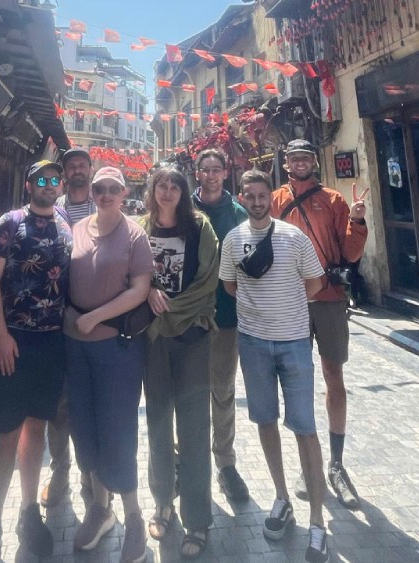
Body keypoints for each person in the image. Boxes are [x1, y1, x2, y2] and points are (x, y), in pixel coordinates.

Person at [221, 169, 329, 563]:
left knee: (305, 428)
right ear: (242, 197)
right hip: (252, 344)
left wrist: (284, 309)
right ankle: (282, 497)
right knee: (264, 421)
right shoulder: (233, 240)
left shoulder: (293, 236)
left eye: (261, 194)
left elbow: (315, 282)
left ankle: (318, 521)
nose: (255, 200)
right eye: (248, 195)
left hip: (295, 343)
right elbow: (231, 286)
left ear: (271, 196)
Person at [0, 160, 73, 561]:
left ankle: (28, 510)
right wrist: (0, 334)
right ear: (30, 183)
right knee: (5, 433)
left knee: (35, 428)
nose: (49, 186)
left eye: (55, 180)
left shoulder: (66, 226)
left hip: (51, 344)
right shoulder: (10, 223)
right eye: (42, 180)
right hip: (13, 341)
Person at [271, 139, 368, 510]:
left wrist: (357, 220)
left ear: (313, 162)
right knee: (297, 380)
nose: (298, 162)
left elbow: (351, 252)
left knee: (333, 377)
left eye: (305, 158)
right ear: (286, 162)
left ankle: (337, 464)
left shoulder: (334, 200)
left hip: (327, 297)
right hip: (290, 300)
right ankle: (306, 463)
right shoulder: (276, 200)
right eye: (293, 157)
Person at [64, 166, 153, 563]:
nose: (104, 194)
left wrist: (95, 317)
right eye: (99, 188)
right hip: (75, 343)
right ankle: (101, 509)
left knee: (117, 428)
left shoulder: (135, 234)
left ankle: (134, 516)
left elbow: (140, 289)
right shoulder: (77, 228)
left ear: (123, 192)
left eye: (112, 189)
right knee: (84, 425)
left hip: (115, 345)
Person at [137, 166, 219, 559]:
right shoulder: (139, 228)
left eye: (174, 186)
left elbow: (207, 283)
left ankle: (198, 518)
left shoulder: (200, 228)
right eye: (161, 185)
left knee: (194, 427)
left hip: (191, 337)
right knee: (156, 422)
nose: (167, 191)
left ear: (183, 192)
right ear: (152, 191)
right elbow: (130, 275)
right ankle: (163, 502)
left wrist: (166, 311)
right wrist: (149, 287)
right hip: (152, 342)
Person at [191, 148, 251, 503]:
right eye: (205, 169)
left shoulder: (239, 213)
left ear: (225, 173)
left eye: (217, 169)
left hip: (227, 318)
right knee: (188, 392)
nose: (211, 175)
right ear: (197, 173)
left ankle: (225, 464)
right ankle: (188, 461)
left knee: (223, 392)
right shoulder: (185, 210)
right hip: (188, 316)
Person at [41, 146, 95, 509]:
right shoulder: (50, 211)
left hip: (97, 319)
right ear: (64, 173)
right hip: (56, 320)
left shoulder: (106, 205)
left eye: (82, 165)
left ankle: (91, 476)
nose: (77, 171)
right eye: (71, 166)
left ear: (91, 170)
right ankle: (60, 470)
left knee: (91, 402)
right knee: (58, 403)